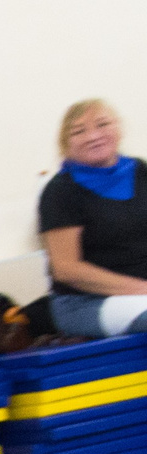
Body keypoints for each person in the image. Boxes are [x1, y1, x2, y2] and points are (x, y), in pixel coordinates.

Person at [40, 99, 147, 337]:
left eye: (102, 124)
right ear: (65, 144)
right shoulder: (60, 192)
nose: (93, 136)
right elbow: (66, 269)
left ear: (118, 130)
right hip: (86, 303)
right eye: (79, 131)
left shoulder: (140, 171)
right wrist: (141, 289)